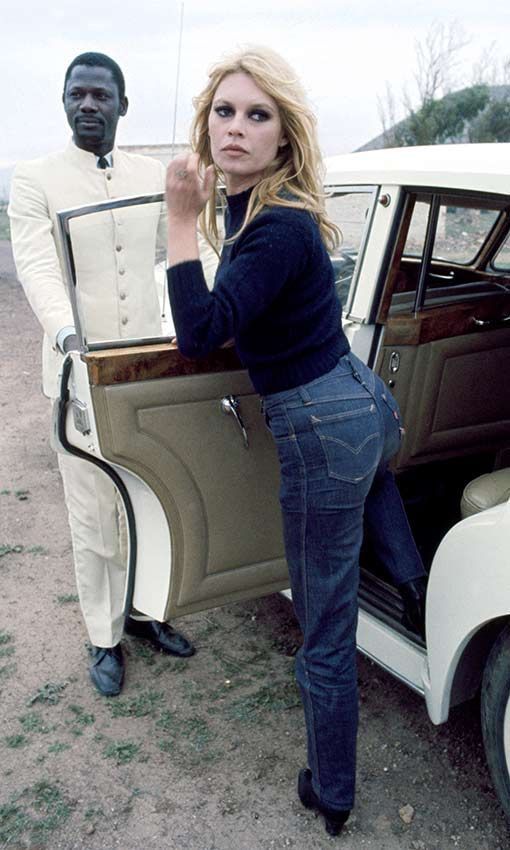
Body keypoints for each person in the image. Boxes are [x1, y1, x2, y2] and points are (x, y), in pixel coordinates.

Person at [163, 46, 427, 834]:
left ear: (284, 136)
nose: (237, 129)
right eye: (224, 112)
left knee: (323, 627)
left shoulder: (274, 227)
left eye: (258, 115)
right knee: (375, 479)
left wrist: (179, 220)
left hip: (323, 424)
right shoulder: (268, 210)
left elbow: (200, 332)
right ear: (206, 125)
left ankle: (335, 790)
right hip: (362, 400)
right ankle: (416, 585)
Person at [8, 52, 216, 698]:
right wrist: (70, 338)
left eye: (101, 95)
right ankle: (104, 636)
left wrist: (202, 313)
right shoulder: (35, 180)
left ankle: (149, 612)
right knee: (96, 513)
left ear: (123, 106)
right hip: (80, 374)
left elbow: (195, 238)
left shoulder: (154, 174)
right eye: (77, 94)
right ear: (64, 102)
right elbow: (37, 266)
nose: (88, 105)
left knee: (153, 499)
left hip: (147, 372)